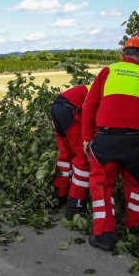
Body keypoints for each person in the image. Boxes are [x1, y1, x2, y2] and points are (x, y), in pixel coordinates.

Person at [81, 36, 139, 251]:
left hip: (106, 140)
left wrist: (87, 138)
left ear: (122, 55)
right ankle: (136, 230)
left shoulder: (107, 72)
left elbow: (90, 106)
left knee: (102, 185)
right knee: (138, 185)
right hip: (138, 142)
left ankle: (104, 234)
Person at [49, 84, 91, 218]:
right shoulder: (105, 93)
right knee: (83, 157)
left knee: (66, 155)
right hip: (70, 110)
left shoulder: (93, 87)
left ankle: (58, 195)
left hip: (56, 108)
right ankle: (75, 205)